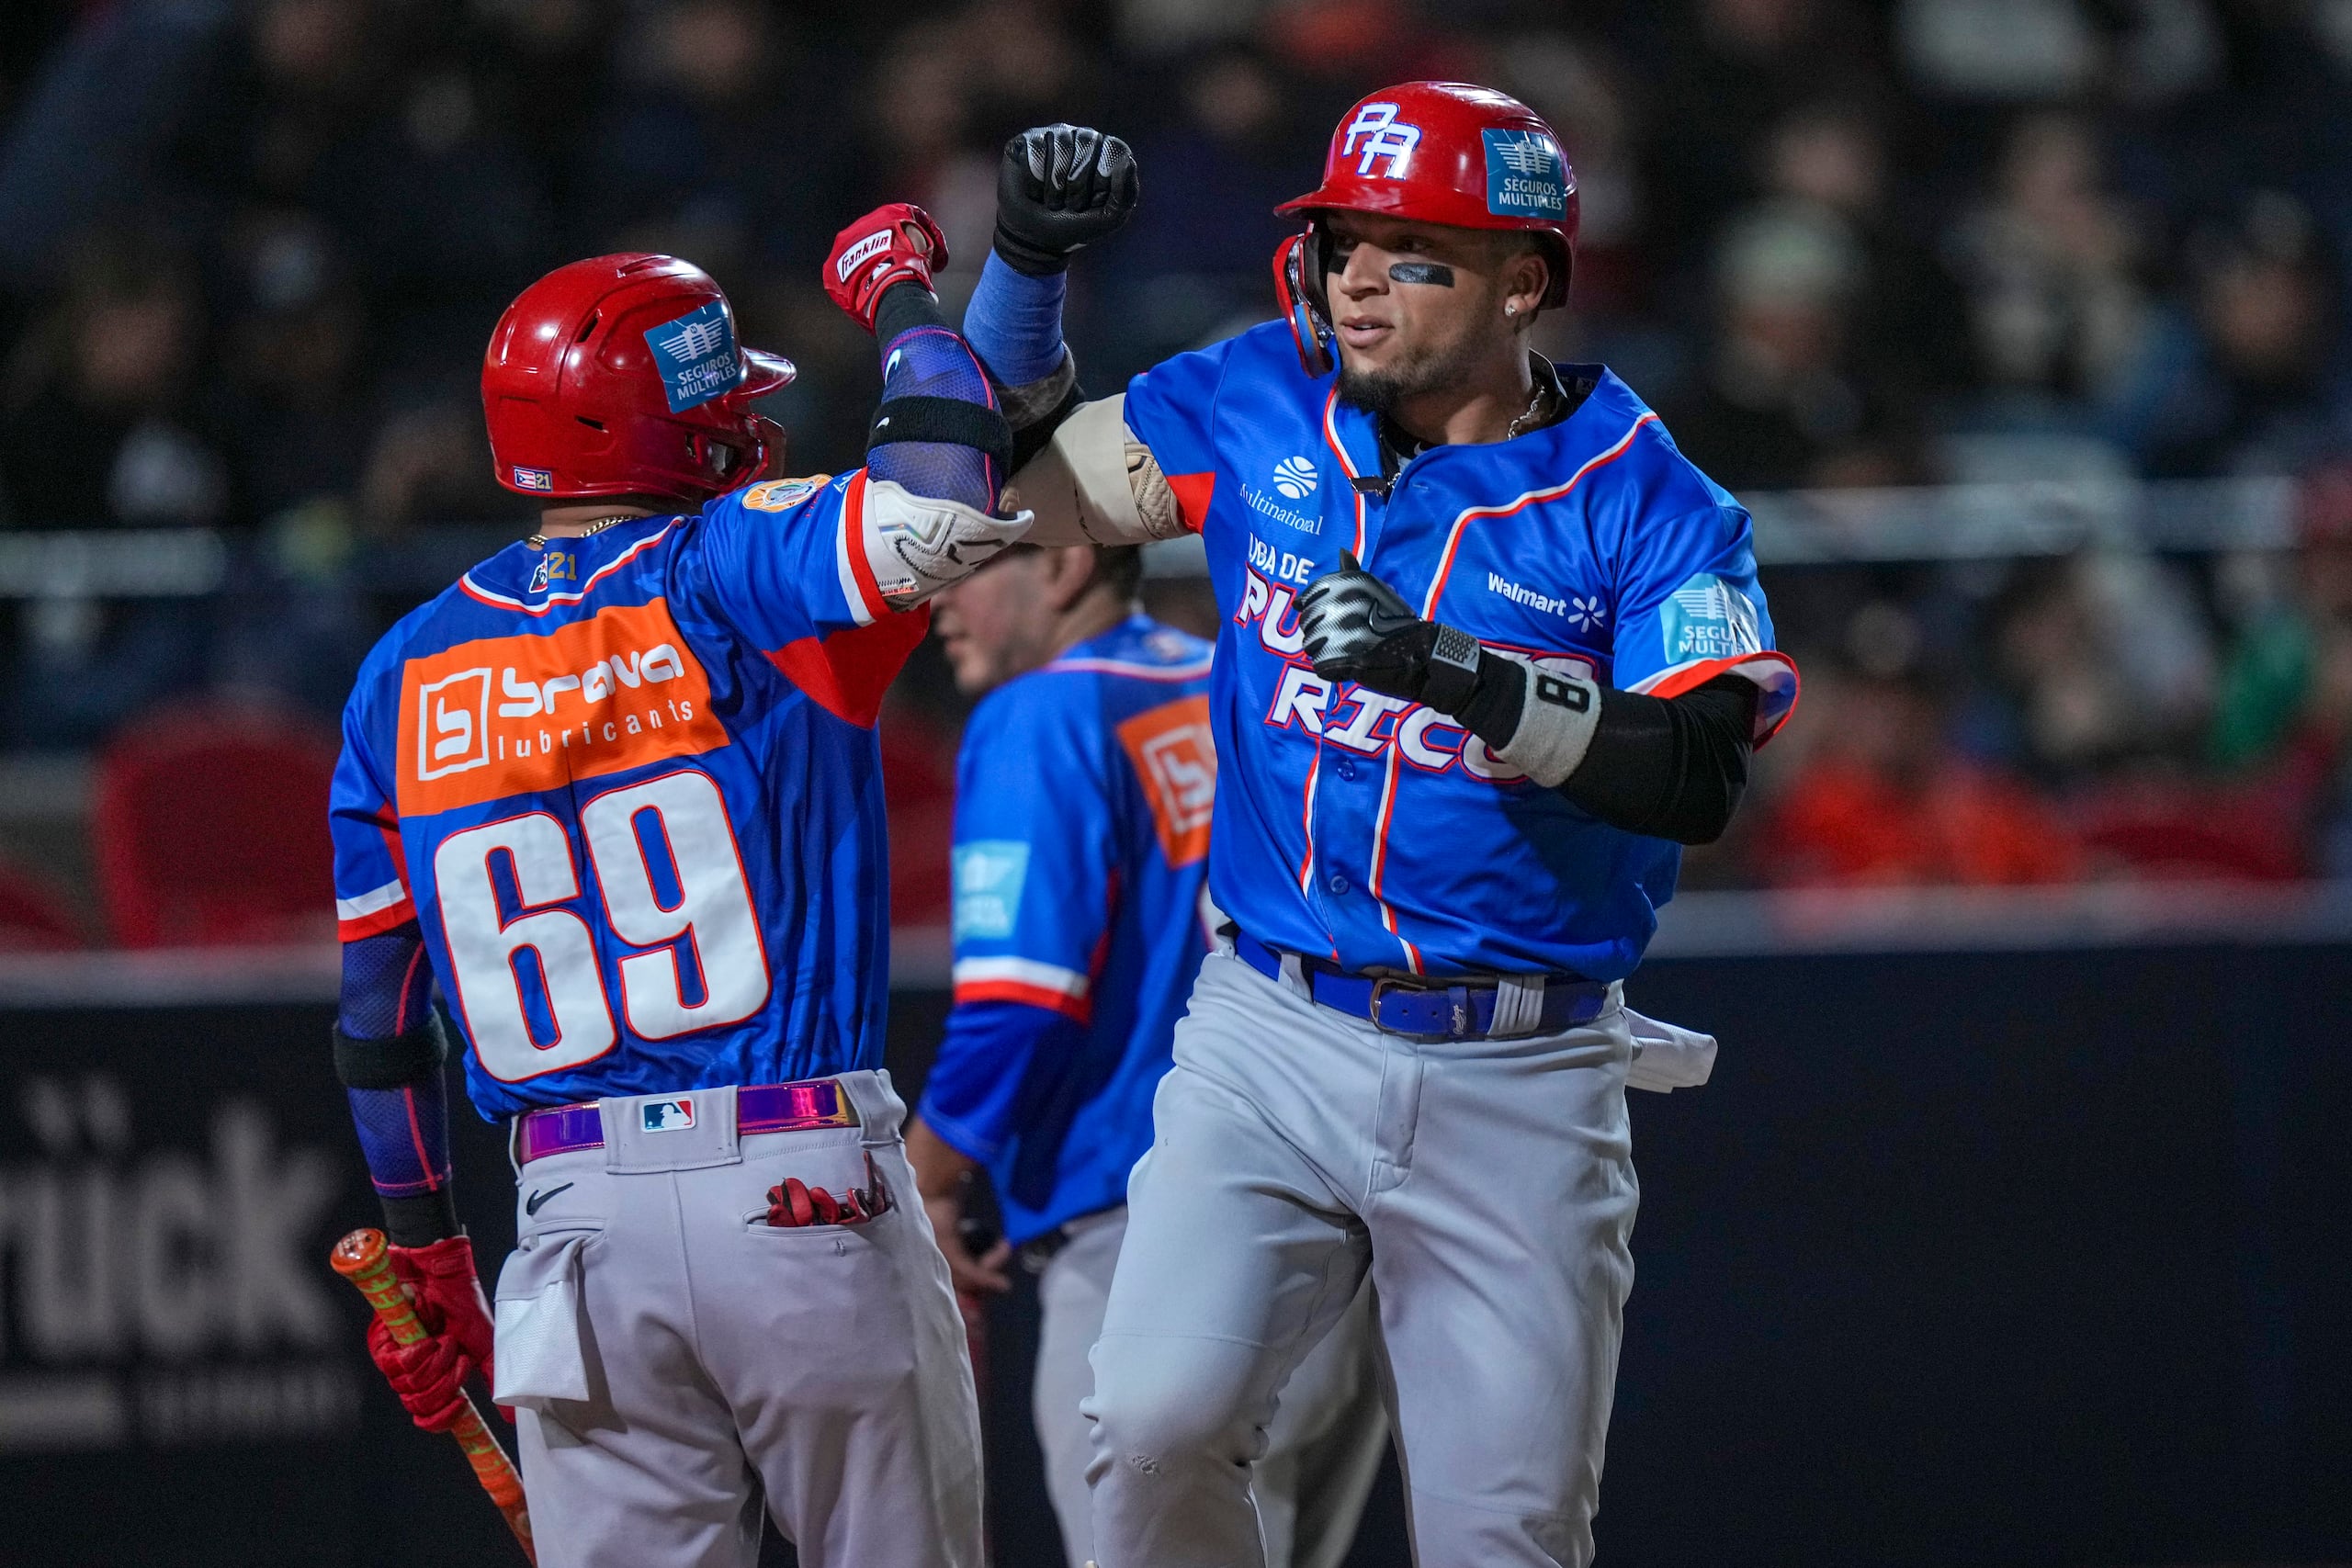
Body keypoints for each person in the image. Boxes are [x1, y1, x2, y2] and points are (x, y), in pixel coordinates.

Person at [960, 93, 1801, 1567]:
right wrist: (1025, 269)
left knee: (1505, 1537)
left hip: (1519, 1066)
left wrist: (1452, 672)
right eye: (1347, 239)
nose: (1355, 276)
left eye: (1413, 252)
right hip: (1269, 1026)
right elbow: (1011, 484)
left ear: (1522, 282)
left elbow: (1697, 773)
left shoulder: (1653, 498)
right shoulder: (1259, 396)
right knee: (1146, 1418)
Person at [326, 207, 1028, 1568]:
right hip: (798, 1179)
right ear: (669, 427)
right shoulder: (734, 561)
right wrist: (895, 294)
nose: (745, 418)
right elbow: (949, 488)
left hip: (570, 1226)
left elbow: (378, 1011)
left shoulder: (398, 670)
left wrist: (430, 1253)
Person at [907, 531, 1389, 1568]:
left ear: (1068, 565)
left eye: (969, 572)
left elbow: (1018, 1004)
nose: (936, 603)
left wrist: (924, 1186)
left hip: (1152, 1248)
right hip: (1336, 1228)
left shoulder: (1040, 712)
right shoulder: (1232, 672)